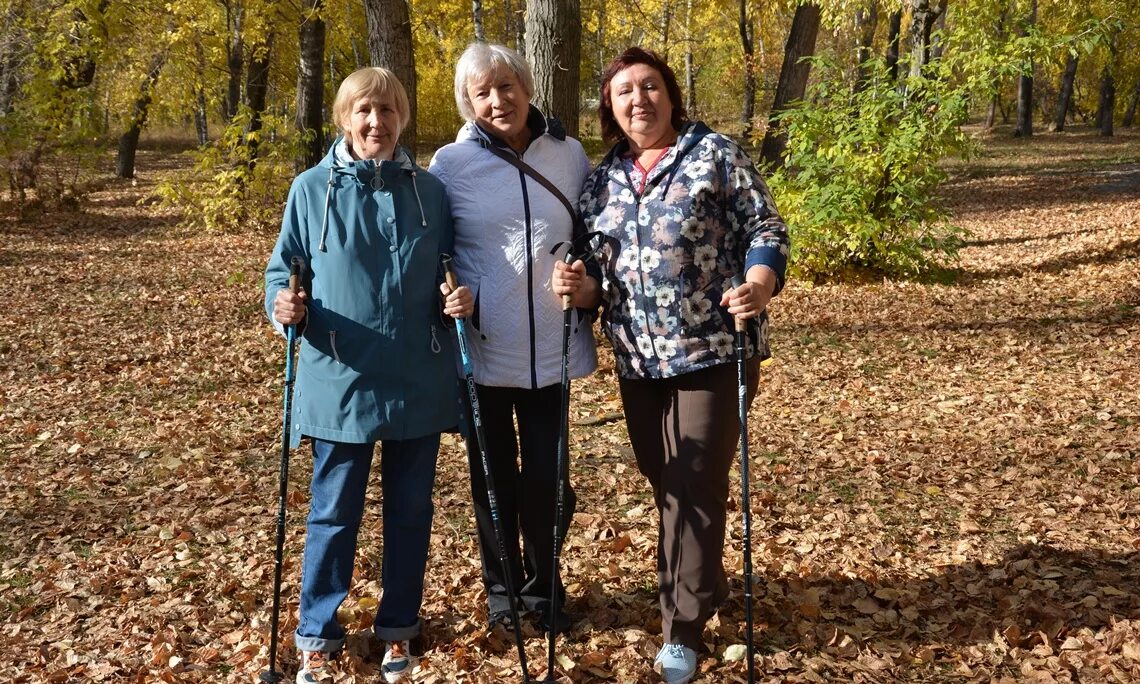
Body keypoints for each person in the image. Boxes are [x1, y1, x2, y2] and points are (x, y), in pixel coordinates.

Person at [553, 47, 790, 684]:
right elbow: (595, 270)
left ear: (670, 93)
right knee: (668, 484)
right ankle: (702, 585)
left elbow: (764, 224)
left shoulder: (715, 154)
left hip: (714, 349)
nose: (639, 100)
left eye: (650, 86)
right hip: (637, 358)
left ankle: (681, 628)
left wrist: (761, 283)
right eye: (625, 91)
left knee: (695, 484)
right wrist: (583, 289)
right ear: (610, 105)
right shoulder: (602, 179)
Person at [264, 67, 472, 684]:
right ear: (344, 118)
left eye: (386, 111)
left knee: (411, 512)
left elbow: (449, 271)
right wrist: (284, 308)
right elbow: (284, 272)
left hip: (418, 378)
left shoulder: (430, 191)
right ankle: (318, 634)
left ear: (401, 117)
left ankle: (398, 630)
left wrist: (458, 302)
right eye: (363, 111)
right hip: (340, 379)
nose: (375, 122)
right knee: (333, 514)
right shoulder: (310, 189)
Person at [428, 42, 597, 635]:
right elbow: (433, 254)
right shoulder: (449, 164)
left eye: (507, 86)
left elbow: (594, 237)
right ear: (468, 103)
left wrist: (583, 277)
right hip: (484, 347)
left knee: (550, 479)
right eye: (483, 92)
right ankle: (503, 588)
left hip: (553, 344)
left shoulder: (570, 154)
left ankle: (544, 582)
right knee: (493, 476)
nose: (498, 100)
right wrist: (444, 297)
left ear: (527, 88)